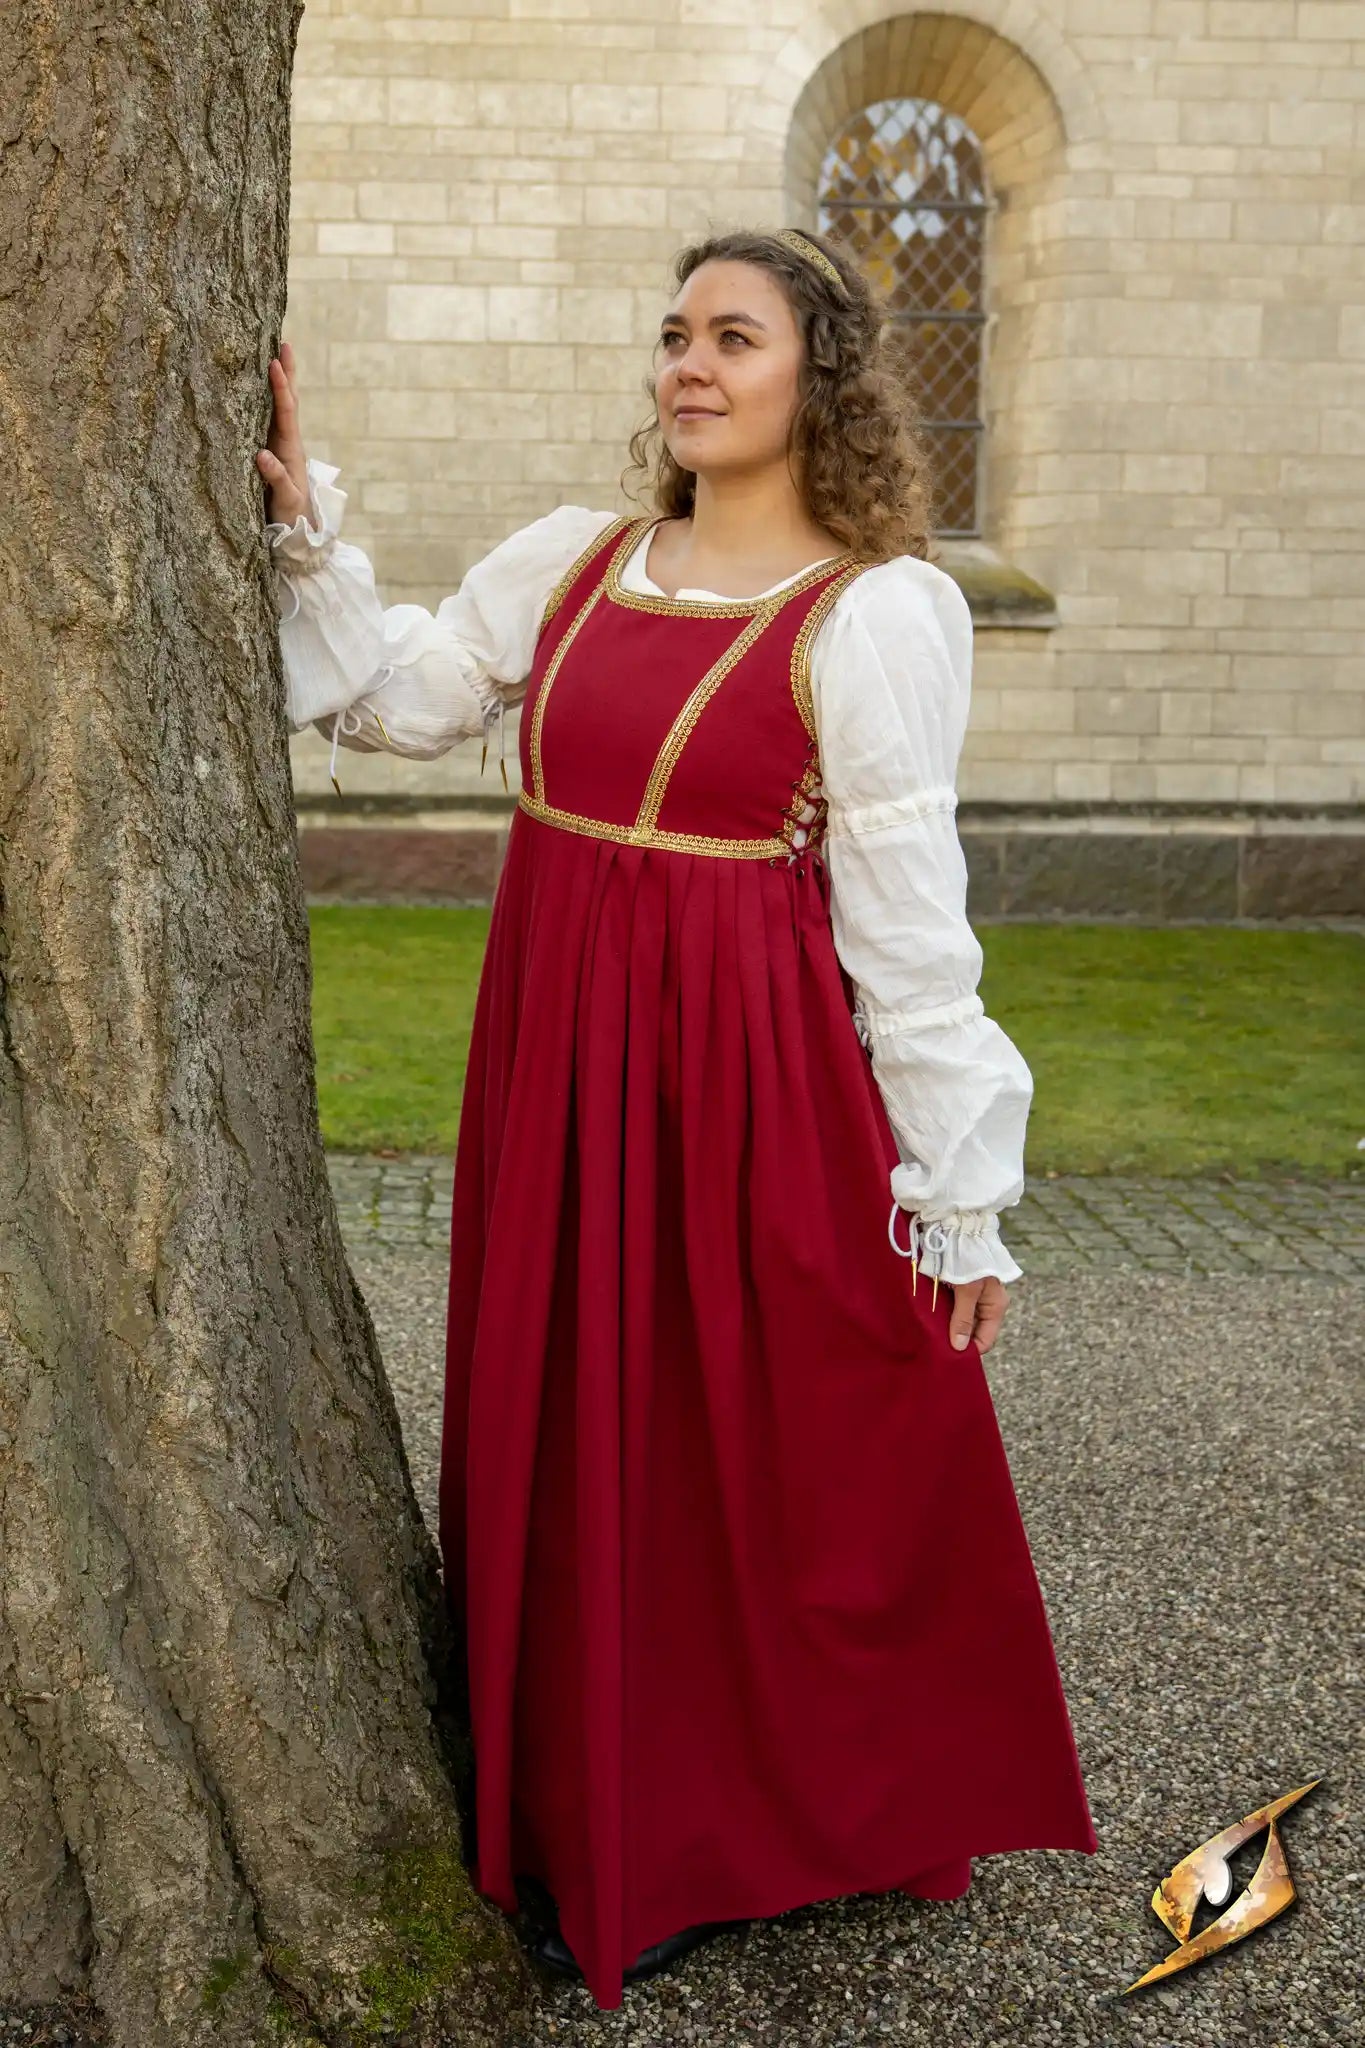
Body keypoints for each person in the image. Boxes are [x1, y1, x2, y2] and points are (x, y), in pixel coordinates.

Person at [260, 226, 1098, 2013]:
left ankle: (747, 1828)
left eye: (734, 336)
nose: (690, 367)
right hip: (555, 1055)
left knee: (751, 1444)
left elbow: (908, 928)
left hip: (748, 1087)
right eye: (674, 335)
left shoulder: (872, 612)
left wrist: (955, 1194)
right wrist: (307, 527)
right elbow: (395, 702)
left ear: (818, 376)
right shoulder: (575, 562)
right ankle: (597, 1815)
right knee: (577, 1428)